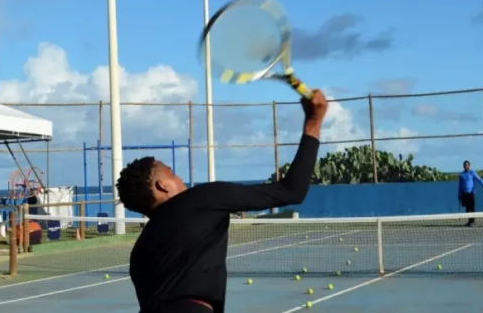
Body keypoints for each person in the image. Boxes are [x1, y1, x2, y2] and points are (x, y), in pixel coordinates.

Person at [117, 90, 328, 313]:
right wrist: (313, 123)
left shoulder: (139, 253)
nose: (179, 178)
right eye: (172, 172)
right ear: (162, 186)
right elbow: (291, 191)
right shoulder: (202, 198)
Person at [458, 160, 483, 227]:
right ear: (463, 166)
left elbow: (479, 179)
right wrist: (459, 194)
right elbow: (460, 185)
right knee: (467, 209)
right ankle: (469, 221)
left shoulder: (472, 173)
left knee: (472, 208)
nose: (466, 166)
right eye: (465, 165)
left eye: (467, 165)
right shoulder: (461, 174)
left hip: (471, 193)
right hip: (464, 194)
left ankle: (472, 222)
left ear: (469, 166)